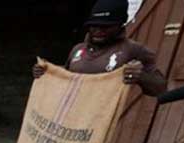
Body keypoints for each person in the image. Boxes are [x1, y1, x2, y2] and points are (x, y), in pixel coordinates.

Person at [33, 0, 166, 97]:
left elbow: (160, 88)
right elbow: (67, 77)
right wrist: (48, 72)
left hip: (104, 123)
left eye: (105, 27)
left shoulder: (132, 50)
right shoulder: (78, 50)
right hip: (72, 120)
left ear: (120, 25)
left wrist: (141, 76)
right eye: (94, 26)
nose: (98, 31)